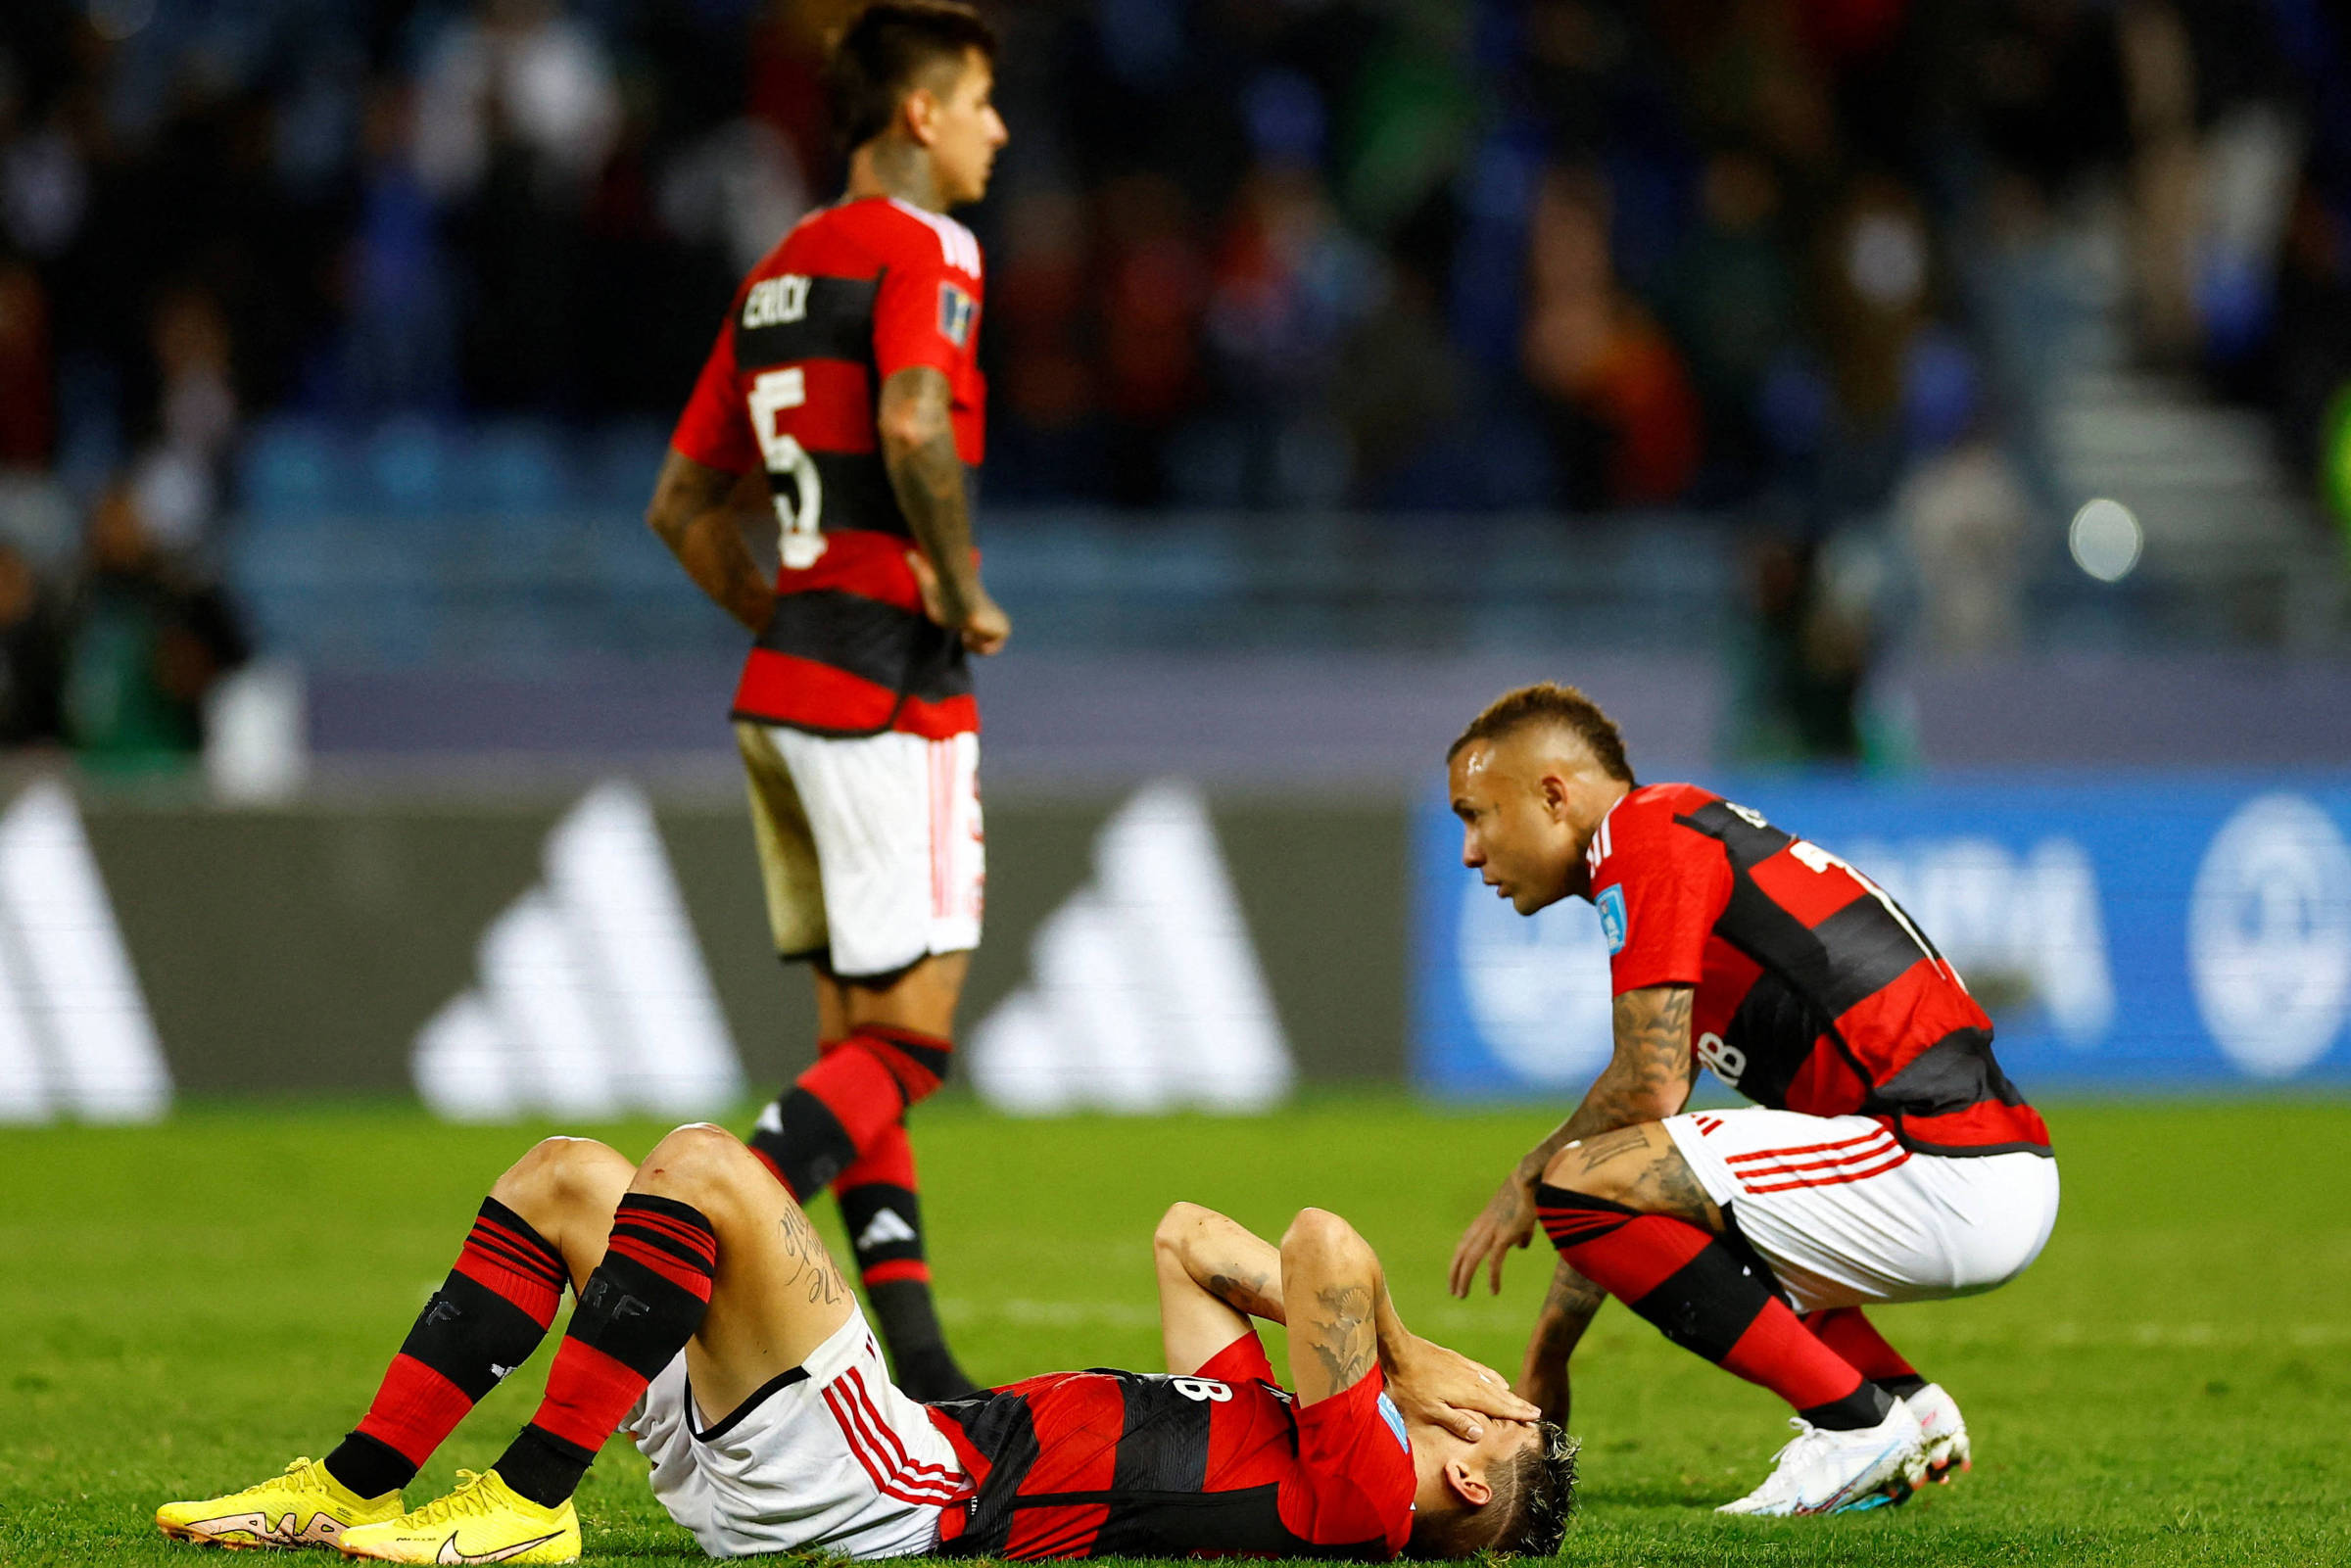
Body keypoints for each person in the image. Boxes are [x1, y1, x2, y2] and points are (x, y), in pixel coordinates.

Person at [154, 1123, 1572, 1563]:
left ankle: (526, 1504)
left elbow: (1325, 1242)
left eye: (1501, 1408)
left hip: (895, 1480)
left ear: (1467, 1469)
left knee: (706, 1165)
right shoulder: (1286, 1426)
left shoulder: (1365, 1486)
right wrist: (1391, 1359)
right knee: (571, 1178)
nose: (1491, 1389)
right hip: (828, 1464)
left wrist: (1413, 1355)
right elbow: (1192, 1233)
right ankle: (348, 1482)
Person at [643, 0, 1013, 1399]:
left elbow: (680, 505)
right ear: (918, 113)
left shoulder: (777, 273)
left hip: (786, 684)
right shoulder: (930, 248)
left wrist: (784, 608)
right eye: (981, 99)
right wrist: (951, 579)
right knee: (911, 1039)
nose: (999, 129)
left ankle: (920, 1363)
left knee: (855, 1038)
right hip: (890, 691)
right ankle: (684, 1233)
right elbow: (917, 417)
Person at [1442, 682, 2058, 1517]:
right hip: (1973, 1163)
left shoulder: (1642, 836)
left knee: (1570, 1177)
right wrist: (1549, 1357)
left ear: (1554, 794)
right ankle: (1900, 1401)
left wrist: (1528, 1174)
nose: (1472, 851)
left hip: (1940, 1159)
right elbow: (1640, 1162)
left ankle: (1851, 1424)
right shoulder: (1683, 839)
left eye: (1477, 815)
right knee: (1614, 1183)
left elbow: (1644, 1088)